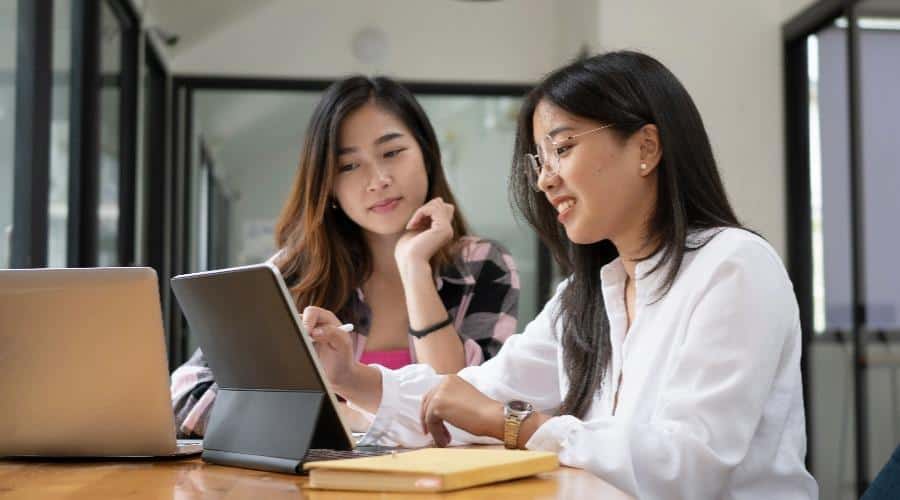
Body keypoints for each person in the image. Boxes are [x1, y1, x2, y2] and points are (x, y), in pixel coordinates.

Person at [301, 52, 818, 498]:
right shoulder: (587, 292)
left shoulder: (733, 267)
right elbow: (474, 395)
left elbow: (686, 469)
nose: (546, 180)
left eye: (563, 149)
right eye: (539, 160)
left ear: (646, 148)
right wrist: (350, 377)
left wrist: (517, 426)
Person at [170, 76, 520, 437]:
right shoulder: (295, 273)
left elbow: (473, 409)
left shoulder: (484, 265)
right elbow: (186, 395)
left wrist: (413, 267)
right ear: (328, 186)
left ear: (427, 155)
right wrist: (343, 420)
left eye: (392, 152)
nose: (378, 179)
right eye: (349, 166)